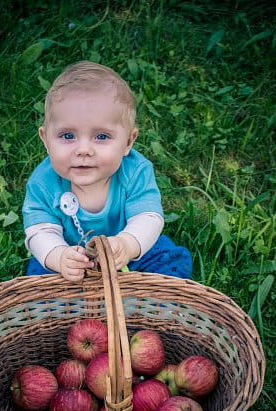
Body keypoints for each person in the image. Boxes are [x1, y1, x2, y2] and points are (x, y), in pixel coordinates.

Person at [23, 61, 192, 282]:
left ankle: (154, 304)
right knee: (38, 277)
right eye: (67, 136)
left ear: (129, 141)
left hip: (127, 251)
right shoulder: (43, 182)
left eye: (101, 136)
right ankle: (70, 310)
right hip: (69, 253)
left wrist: (128, 244)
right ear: (46, 139)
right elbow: (40, 231)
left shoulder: (135, 171)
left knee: (169, 259)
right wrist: (58, 256)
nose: (83, 150)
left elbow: (148, 217)